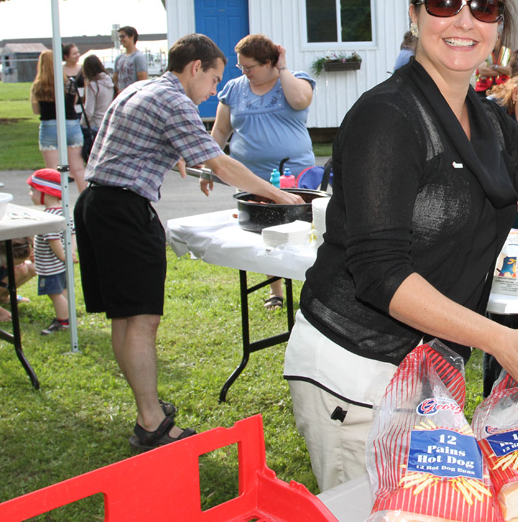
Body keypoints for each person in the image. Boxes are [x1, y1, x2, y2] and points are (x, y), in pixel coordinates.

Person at [283, 0, 518, 491]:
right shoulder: (389, 116)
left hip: (433, 366)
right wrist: (500, 340)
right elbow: (381, 272)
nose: (464, 20)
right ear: (416, 13)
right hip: (358, 370)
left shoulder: (488, 120)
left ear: (499, 27)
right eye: (445, 1)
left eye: (484, 7)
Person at [73, 33, 302, 453]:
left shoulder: (142, 88)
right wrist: (276, 194)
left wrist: (175, 154)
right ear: (196, 68)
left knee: (125, 320)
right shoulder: (173, 98)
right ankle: (152, 422)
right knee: (142, 321)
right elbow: (218, 161)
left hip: (95, 203)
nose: (215, 91)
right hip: (123, 211)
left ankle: (147, 409)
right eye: (214, 79)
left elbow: (143, 143)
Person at [211, 34, 316, 310]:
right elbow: (221, 130)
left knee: (302, 233)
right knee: (264, 233)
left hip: (294, 174)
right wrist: (211, 164)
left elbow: (301, 101)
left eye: (250, 67)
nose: (244, 72)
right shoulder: (234, 89)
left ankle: (313, 291)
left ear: (269, 62)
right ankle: (276, 291)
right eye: (241, 67)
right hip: (250, 176)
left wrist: (283, 69)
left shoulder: (294, 79)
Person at [30, 50, 87, 193]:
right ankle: (85, 199)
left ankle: (55, 201)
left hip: (49, 125)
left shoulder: (38, 86)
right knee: (78, 168)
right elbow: (73, 103)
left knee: (53, 170)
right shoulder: (69, 84)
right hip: (71, 124)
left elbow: (36, 110)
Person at [26, 169, 71, 336]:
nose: (29, 194)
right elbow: (72, 232)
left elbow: (54, 240)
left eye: (32, 190)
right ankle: (68, 317)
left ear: (45, 192)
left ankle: (63, 322)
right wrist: (70, 253)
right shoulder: (64, 211)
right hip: (60, 265)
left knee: (54, 293)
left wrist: (63, 256)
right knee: (63, 291)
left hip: (50, 266)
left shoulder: (49, 217)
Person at [80, 54, 115, 162]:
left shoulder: (93, 84)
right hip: (107, 123)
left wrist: (82, 124)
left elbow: (89, 110)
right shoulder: (109, 81)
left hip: (94, 124)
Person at [114, 25, 148, 92]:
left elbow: (142, 80)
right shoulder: (119, 58)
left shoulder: (139, 57)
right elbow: (115, 78)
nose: (121, 39)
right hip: (121, 96)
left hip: (134, 96)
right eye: (119, 37)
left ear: (132, 36)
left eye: (123, 36)